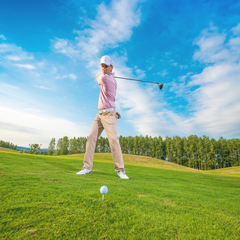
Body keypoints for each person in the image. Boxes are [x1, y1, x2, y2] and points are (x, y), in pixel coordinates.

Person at [76, 55, 129, 180]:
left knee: (113, 140)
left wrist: (105, 74)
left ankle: (121, 170)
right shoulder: (109, 76)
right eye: (102, 66)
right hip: (99, 114)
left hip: (109, 115)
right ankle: (87, 167)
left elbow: (97, 78)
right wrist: (109, 74)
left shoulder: (106, 78)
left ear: (111, 67)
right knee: (91, 138)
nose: (103, 69)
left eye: (106, 66)